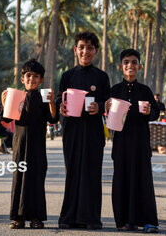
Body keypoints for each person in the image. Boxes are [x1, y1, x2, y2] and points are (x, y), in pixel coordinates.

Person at [57, 31, 110, 229]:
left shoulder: (102, 77)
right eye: (81, 47)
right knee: (72, 172)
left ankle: (91, 219)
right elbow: (59, 100)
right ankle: (68, 218)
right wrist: (61, 107)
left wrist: (100, 106)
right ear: (75, 50)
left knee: (92, 173)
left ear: (96, 51)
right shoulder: (67, 76)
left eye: (89, 48)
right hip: (71, 131)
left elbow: (109, 102)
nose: (85, 51)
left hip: (94, 132)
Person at [106, 49, 160, 233]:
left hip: (141, 143)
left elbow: (156, 110)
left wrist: (149, 112)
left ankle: (148, 220)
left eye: (134, 62)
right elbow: (107, 116)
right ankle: (124, 220)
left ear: (140, 66)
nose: (130, 65)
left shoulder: (145, 90)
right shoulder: (114, 90)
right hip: (121, 143)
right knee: (122, 179)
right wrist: (106, 108)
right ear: (121, 66)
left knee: (143, 180)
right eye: (126, 62)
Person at [1, 59, 58, 229]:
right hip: (19, 146)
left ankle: (36, 218)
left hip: (38, 148)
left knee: (36, 180)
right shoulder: (17, 96)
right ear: (22, 79)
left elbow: (53, 119)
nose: (31, 79)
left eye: (36, 76)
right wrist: (5, 103)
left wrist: (52, 102)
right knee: (19, 179)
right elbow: (6, 118)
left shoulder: (43, 96)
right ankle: (18, 217)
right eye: (28, 76)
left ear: (41, 80)